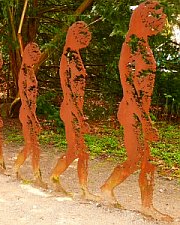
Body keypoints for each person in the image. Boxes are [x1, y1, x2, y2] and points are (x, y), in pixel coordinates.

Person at [100, 1, 172, 221]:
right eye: (154, 18)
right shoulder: (130, 45)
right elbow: (129, 88)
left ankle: (112, 190)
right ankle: (118, 195)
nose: (159, 23)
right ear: (143, 18)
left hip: (141, 111)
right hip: (132, 111)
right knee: (141, 160)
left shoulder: (143, 43)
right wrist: (146, 120)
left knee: (140, 160)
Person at [50, 21, 96, 200]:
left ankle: (80, 188)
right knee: (78, 151)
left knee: (79, 151)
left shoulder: (75, 55)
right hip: (71, 110)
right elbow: (68, 92)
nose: (86, 38)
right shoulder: (68, 57)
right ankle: (58, 178)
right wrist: (80, 117)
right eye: (82, 35)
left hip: (75, 109)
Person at [13, 42, 47, 188]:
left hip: (31, 112)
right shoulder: (24, 73)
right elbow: (25, 100)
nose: (37, 55)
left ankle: (36, 176)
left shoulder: (30, 70)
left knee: (35, 147)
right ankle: (15, 169)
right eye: (33, 52)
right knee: (29, 146)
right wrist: (35, 120)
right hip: (27, 114)